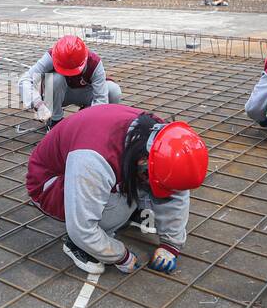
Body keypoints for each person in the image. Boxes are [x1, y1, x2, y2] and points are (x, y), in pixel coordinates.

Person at [26, 105, 208, 275]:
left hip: (90, 166)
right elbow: (83, 229)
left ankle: (128, 208)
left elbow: (176, 188)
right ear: (143, 162)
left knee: (147, 186)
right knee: (120, 208)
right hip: (49, 184)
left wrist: (171, 244)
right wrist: (119, 255)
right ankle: (76, 246)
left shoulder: (161, 137)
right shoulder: (92, 161)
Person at [18, 35, 122, 128]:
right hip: (60, 94)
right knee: (55, 79)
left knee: (113, 91)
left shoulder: (94, 62)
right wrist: (38, 103)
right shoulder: (52, 56)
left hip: (85, 94)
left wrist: (91, 122)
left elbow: (101, 99)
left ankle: (87, 116)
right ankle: (55, 120)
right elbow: (25, 80)